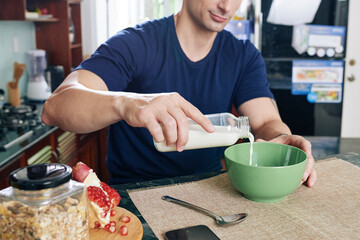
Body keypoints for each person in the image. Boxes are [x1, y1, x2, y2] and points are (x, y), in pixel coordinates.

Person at [42, 0, 316, 186]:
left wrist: (283, 138)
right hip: (136, 192)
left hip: (209, 189)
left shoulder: (242, 56)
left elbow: (266, 123)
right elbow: (55, 107)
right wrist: (128, 104)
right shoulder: (136, 44)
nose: (227, 5)